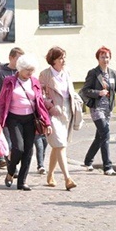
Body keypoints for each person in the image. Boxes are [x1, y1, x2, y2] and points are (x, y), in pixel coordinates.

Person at [0, 54, 51, 191]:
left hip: (30, 119)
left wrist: (47, 122)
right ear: (20, 68)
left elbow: (40, 103)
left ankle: (22, 181)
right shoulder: (9, 81)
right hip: (14, 118)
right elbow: (2, 102)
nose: (30, 73)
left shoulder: (34, 82)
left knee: (28, 150)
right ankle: (10, 171)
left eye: (32, 70)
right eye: (27, 69)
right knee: (18, 148)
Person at [80, 46, 116, 175]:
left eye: (107, 57)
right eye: (102, 57)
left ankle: (88, 160)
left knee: (100, 136)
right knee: (105, 133)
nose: (105, 59)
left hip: (108, 109)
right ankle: (107, 166)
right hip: (96, 108)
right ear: (98, 59)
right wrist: (99, 92)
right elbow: (85, 90)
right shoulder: (93, 73)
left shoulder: (113, 73)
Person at [39, 46, 81, 190]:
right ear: (53, 60)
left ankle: (50, 174)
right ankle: (67, 178)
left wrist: (77, 101)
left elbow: (71, 91)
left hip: (67, 112)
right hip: (53, 114)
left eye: (64, 57)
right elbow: (40, 95)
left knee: (58, 146)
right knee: (61, 145)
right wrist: (49, 105)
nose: (63, 61)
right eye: (60, 58)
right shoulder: (45, 74)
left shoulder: (67, 72)